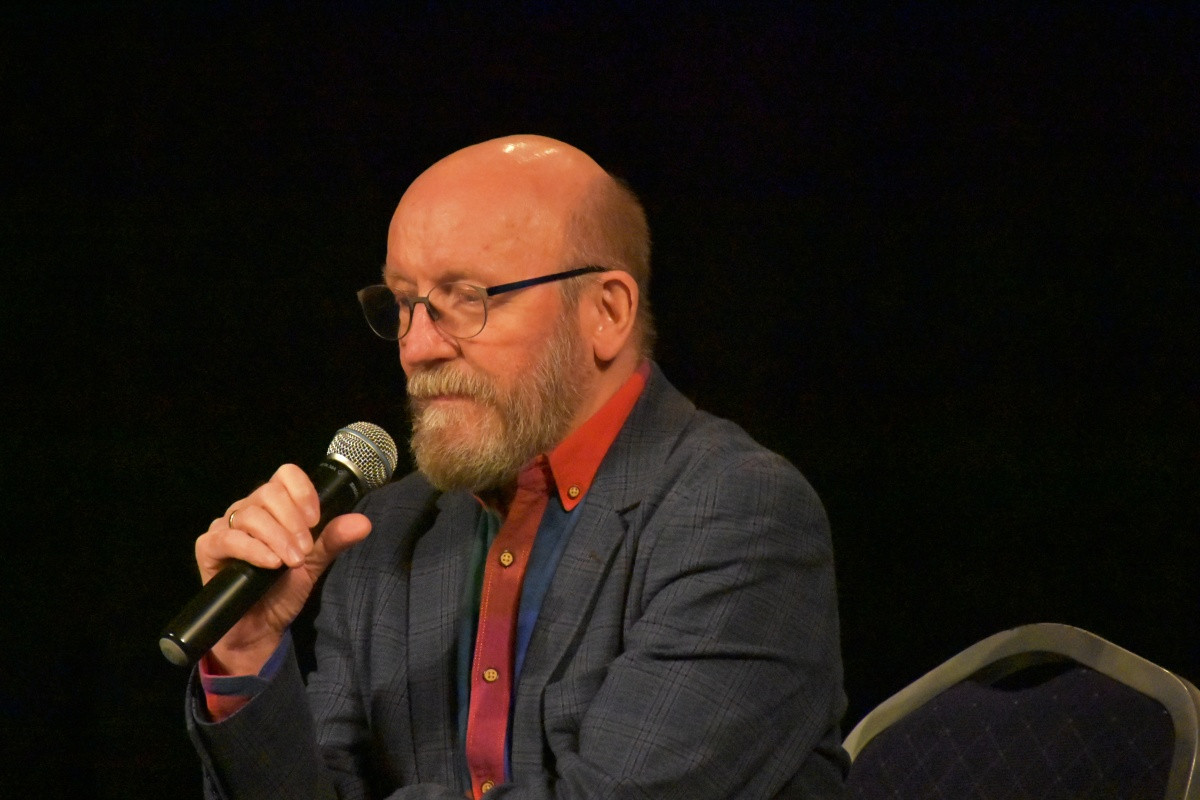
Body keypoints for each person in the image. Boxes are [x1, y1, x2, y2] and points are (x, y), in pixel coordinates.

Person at [186, 134, 848, 798]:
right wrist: (245, 653)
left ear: (606, 312)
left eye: (466, 297)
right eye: (404, 303)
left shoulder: (740, 511)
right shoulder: (382, 531)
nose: (417, 347)